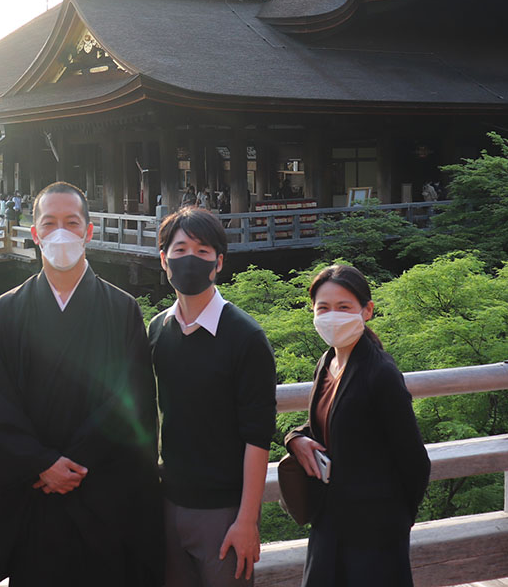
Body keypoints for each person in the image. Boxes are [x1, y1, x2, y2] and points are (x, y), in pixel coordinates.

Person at [0, 181, 162, 587]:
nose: (60, 232)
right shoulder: (6, 312)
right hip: (36, 495)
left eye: (71, 222)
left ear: (89, 231)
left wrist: (74, 462)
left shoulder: (121, 310)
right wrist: (42, 462)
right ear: (34, 233)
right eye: (49, 223)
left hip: (104, 492)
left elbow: (131, 398)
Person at [149, 208, 276, 586]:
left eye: (203, 251)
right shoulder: (158, 330)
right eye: (180, 248)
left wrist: (247, 520)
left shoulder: (246, 338)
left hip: (223, 513)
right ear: (164, 260)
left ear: (218, 263)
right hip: (168, 504)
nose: (190, 259)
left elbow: (258, 435)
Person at [286, 264, 431, 587]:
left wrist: (395, 524)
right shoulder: (328, 362)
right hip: (329, 518)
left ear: (367, 311)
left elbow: (414, 461)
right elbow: (325, 426)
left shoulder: (380, 373)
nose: (332, 316)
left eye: (344, 307)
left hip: (374, 530)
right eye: (323, 308)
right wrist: (295, 438)